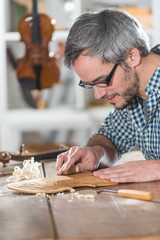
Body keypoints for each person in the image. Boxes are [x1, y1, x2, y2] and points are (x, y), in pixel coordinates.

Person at [56, 8, 160, 183]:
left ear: (132, 56)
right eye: (90, 85)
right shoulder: (133, 93)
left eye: (103, 80)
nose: (98, 94)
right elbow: (110, 138)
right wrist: (95, 153)